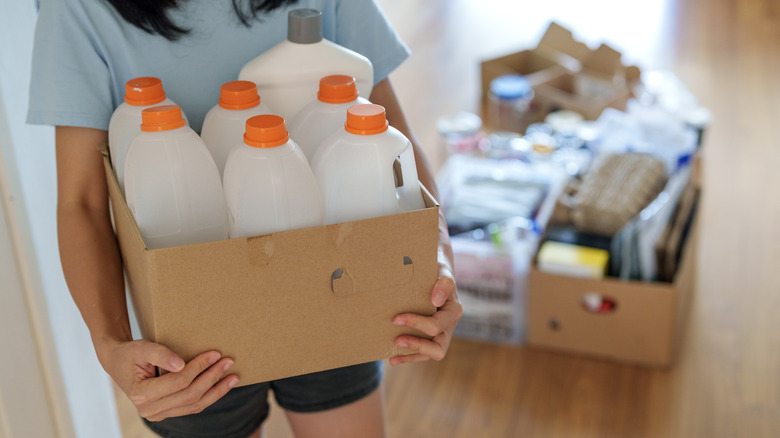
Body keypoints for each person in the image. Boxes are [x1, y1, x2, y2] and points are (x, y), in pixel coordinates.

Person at [28, 1, 462, 437]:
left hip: (332, 287)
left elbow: (388, 135)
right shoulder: (77, 9)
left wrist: (437, 261)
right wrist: (112, 345)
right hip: (190, 333)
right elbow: (81, 203)